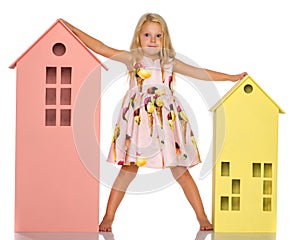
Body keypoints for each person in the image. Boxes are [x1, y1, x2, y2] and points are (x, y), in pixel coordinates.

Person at [60, 13, 247, 232]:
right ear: (139, 36)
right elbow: (101, 48)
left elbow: (201, 73)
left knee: (180, 170)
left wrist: (229, 77)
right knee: (128, 170)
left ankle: (202, 217)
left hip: (167, 125)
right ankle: (108, 217)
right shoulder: (133, 59)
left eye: (158, 36)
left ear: (164, 39)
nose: (152, 39)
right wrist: (71, 28)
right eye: (147, 34)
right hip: (138, 126)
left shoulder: (169, 63)